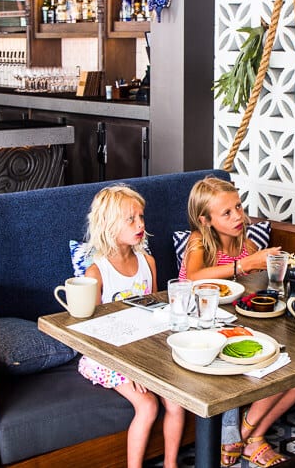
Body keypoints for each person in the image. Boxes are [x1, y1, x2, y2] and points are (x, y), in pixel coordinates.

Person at [180, 176, 295, 467]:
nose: (238, 215)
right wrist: (243, 266)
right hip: (201, 327)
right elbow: (193, 277)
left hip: (241, 326)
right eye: (226, 212)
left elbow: (253, 291)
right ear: (205, 220)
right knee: (266, 361)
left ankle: (250, 432)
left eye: (238, 206)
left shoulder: (246, 245)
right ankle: (247, 436)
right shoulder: (198, 241)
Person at [78, 185, 185, 468]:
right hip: (108, 355)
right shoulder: (97, 271)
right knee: (147, 405)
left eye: (141, 217)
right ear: (108, 225)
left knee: (176, 402)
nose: (140, 224)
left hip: (144, 349)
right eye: (130, 219)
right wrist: (128, 367)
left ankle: (171, 464)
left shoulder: (147, 263)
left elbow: (155, 312)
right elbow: (94, 331)